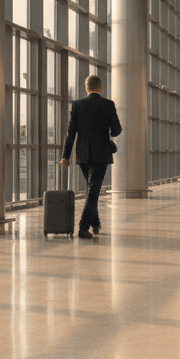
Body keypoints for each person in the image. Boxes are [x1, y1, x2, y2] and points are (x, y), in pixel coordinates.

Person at [61, 75, 122, 240]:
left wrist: (65, 156)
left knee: (91, 189)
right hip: (101, 153)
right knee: (93, 190)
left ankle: (95, 223)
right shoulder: (108, 104)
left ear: (86, 88)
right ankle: (83, 227)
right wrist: (107, 132)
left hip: (83, 154)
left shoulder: (77, 105)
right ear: (100, 87)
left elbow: (71, 133)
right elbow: (117, 130)